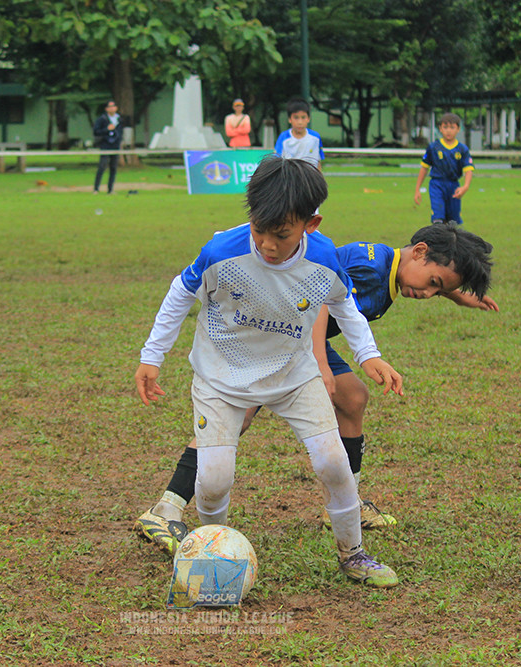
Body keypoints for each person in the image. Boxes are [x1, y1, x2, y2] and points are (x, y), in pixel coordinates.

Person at [135, 222, 496, 553]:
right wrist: (320, 364)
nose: (429, 293)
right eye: (433, 282)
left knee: (353, 398)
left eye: (439, 290)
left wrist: (456, 295)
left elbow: (342, 300)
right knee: (237, 418)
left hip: (302, 339)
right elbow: (321, 295)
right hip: (280, 340)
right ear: (419, 251)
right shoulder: (370, 265)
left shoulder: (391, 266)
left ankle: (343, 503)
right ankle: (166, 508)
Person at [134, 156, 404, 587]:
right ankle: (211, 555)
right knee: (215, 477)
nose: (267, 245)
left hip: (294, 376)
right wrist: (152, 356)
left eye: (281, 234)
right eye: (260, 230)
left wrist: (368, 354)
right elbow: (179, 293)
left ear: (310, 224)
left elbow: (344, 304)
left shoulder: (323, 255)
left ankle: (353, 554)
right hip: (221, 379)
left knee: (334, 463)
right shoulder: (222, 250)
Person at [414, 112, 474, 224]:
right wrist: (417, 188)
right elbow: (424, 168)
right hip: (437, 185)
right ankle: (438, 239)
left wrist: (465, 186)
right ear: (440, 129)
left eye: (452, 127)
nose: (448, 130)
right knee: (438, 219)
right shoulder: (433, 147)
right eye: (445, 127)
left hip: (453, 185)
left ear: (458, 129)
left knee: (452, 222)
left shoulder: (462, 149)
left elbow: (468, 169)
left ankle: (450, 240)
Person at [274, 99, 324, 170]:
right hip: (290, 178)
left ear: (308, 119)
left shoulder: (315, 137)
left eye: (303, 117)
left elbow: (318, 162)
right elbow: (277, 161)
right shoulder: (284, 137)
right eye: (296, 118)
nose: (300, 122)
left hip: (310, 178)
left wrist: (320, 180)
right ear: (289, 119)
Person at [93, 100, 124, 194]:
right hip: (105, 145)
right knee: (102, 166)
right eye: (110, 106)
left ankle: (110, 189)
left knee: (113, 168)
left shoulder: (119, 119)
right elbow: (96, 131)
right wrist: (106, 130)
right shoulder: (102, 119)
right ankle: (96, 189)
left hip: (115, 145)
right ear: (106, 109)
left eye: (113, 106)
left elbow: (120, 132)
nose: (112, 108)